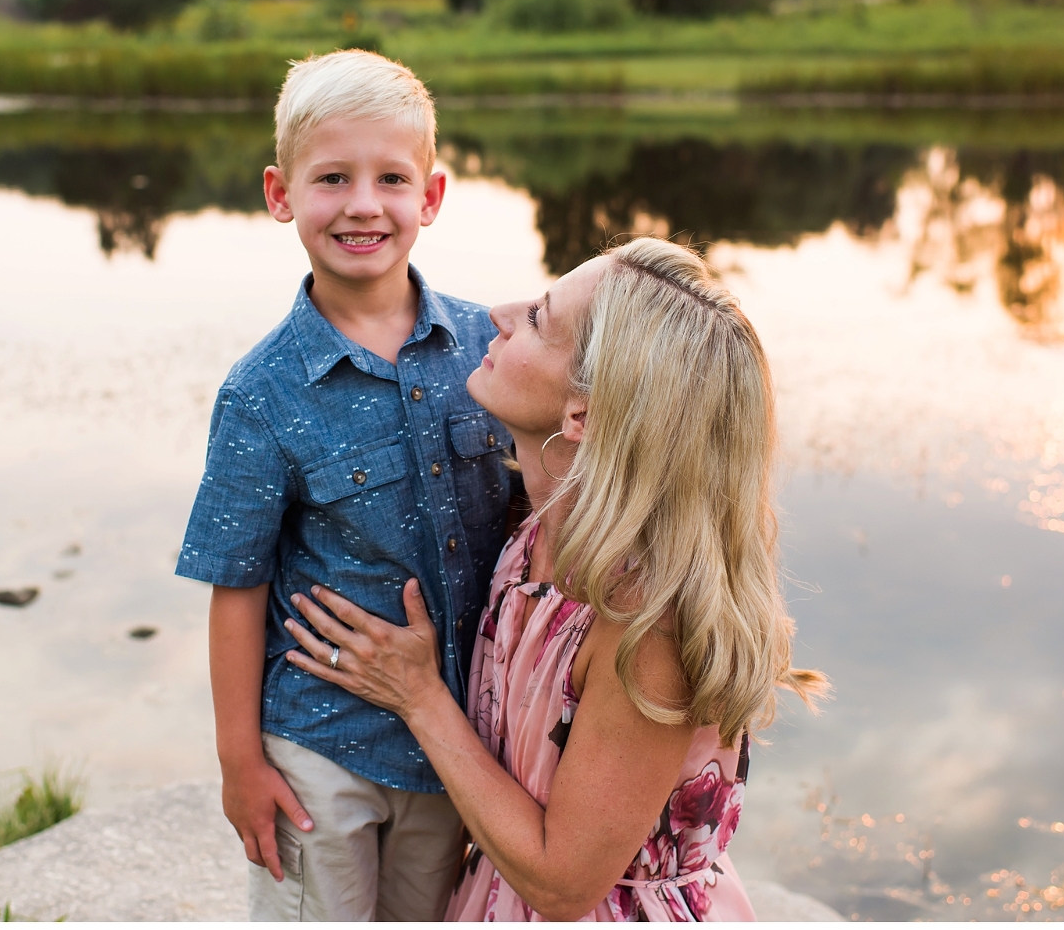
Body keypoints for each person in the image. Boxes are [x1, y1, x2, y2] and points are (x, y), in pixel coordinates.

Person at [281, 237, 830, 921]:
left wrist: (417, 694)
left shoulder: (644, 619)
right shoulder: (536, 528)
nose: (498, 314)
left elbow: (564, 884)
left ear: (583, 414)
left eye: (538, 318)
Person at [175, 50, 515, 921]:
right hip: (317, 742)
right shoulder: (261, 392)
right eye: (332, 177)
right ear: (280, 193)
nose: (363, 203)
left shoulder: (491, 347)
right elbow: (237, 584)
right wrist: (239, 761)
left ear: (430, 197)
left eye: (390, 178)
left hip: (454, 742)